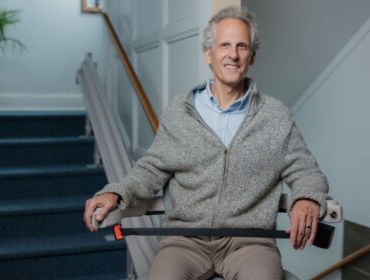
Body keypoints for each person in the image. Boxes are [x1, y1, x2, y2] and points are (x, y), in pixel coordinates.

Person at [84, 6, 328, 280]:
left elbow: (308, 172)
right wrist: (116, 192)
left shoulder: (276, 115)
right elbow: (151, 169)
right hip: (184, 241)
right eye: (224, 45)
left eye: (242, 46)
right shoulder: (179, 110)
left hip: (250, 244)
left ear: (253, 56)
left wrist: (306, 197)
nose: (233, 55)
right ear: (208, 54)